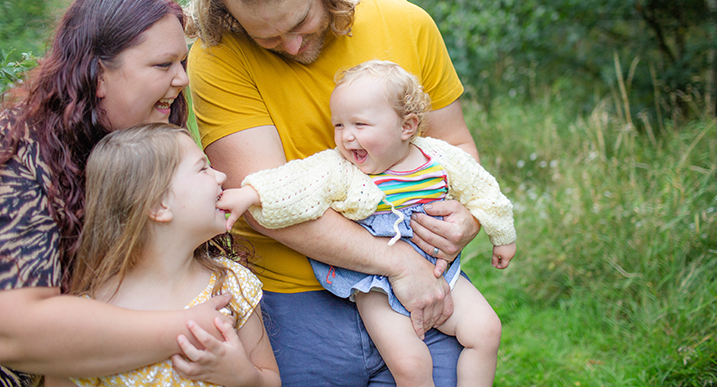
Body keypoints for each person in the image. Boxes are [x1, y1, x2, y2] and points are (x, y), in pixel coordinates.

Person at [186, 0, 492, 385]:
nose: (289, 46)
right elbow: (262, 200)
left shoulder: (407, 24)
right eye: (266, 36)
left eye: (300, 21)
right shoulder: (218, 56)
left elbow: (454, 145)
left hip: (425, 285)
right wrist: (396, 262)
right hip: (295, 298)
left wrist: (469, 218)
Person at [218, 61, 516, 387]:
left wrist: (501, 235)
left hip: (440, 272)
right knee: (411, 364)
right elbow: (296, 183)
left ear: (407, 126)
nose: (346, 137)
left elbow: (483, 189)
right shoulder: (342, 170)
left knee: (487, 330)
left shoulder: (439, 159)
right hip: (374, 283)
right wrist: (250, 194)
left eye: (359, 124)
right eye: (339, 125)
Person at [0, 0, 231, 387]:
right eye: (163, 65)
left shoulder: (150, 142)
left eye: (183, 64)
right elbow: (8, 328)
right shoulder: (19, 147)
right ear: (98, 75)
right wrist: (188, 326)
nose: (182, 80)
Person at [44, 124, 280, 387]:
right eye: (203, 168)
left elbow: (270, 379)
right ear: (158, 205)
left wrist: (244, 377)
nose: (221, 175)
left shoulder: (230, 283)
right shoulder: (88, 316)